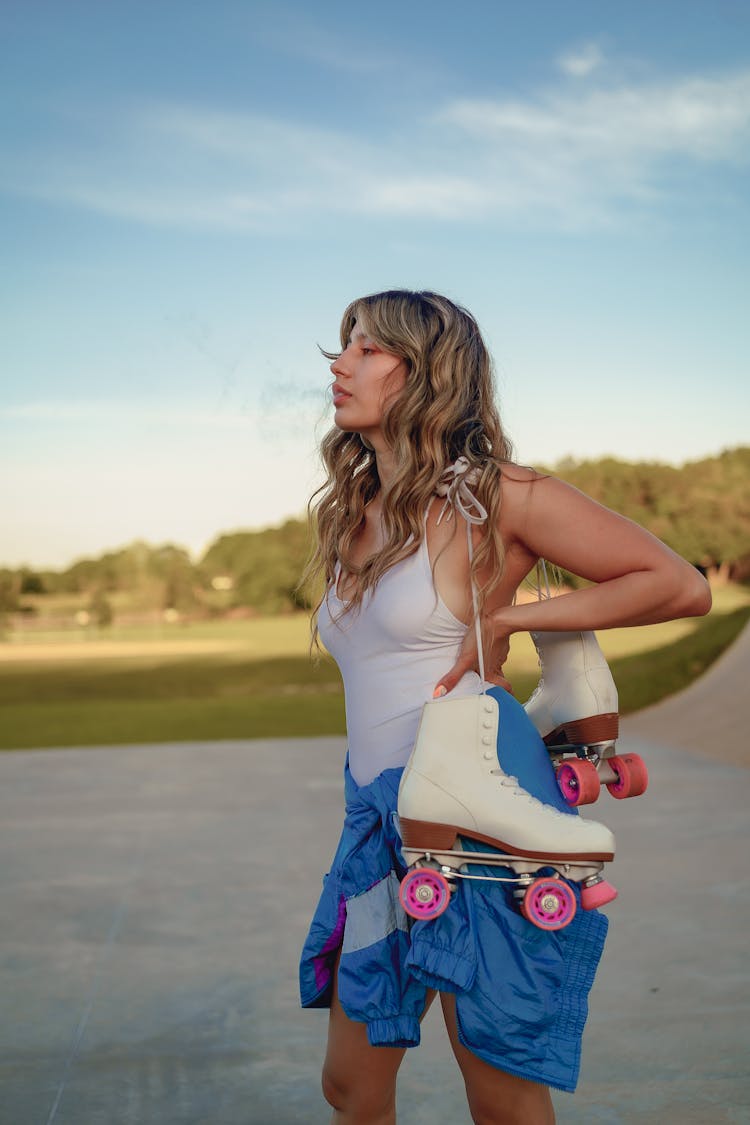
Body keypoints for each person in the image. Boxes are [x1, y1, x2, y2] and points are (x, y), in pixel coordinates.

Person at [299, 289, 711, 1125]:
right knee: (351, 1082)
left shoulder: (499, 496)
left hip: (480, 802)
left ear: (428, 373)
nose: (340, 364)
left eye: (368, 349)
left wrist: (515, 615)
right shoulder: (356, 512)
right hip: (378, 814)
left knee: (500, 1089)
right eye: (345, 346)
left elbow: (678, 584)